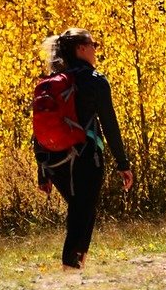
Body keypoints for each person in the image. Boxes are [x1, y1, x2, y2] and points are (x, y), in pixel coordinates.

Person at [33, 28, 133, 270]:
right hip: (85, 155)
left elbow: (38, 127)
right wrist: (123, 163)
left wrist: (42, 170)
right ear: (80, 48)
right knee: (83, 209)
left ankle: (76, 264)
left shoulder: (52, 82)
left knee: (82, 209)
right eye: (93, 44)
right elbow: (110, 124)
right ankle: (71, 266)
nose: (95, 49)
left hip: (53, 159)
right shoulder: (95, 81)